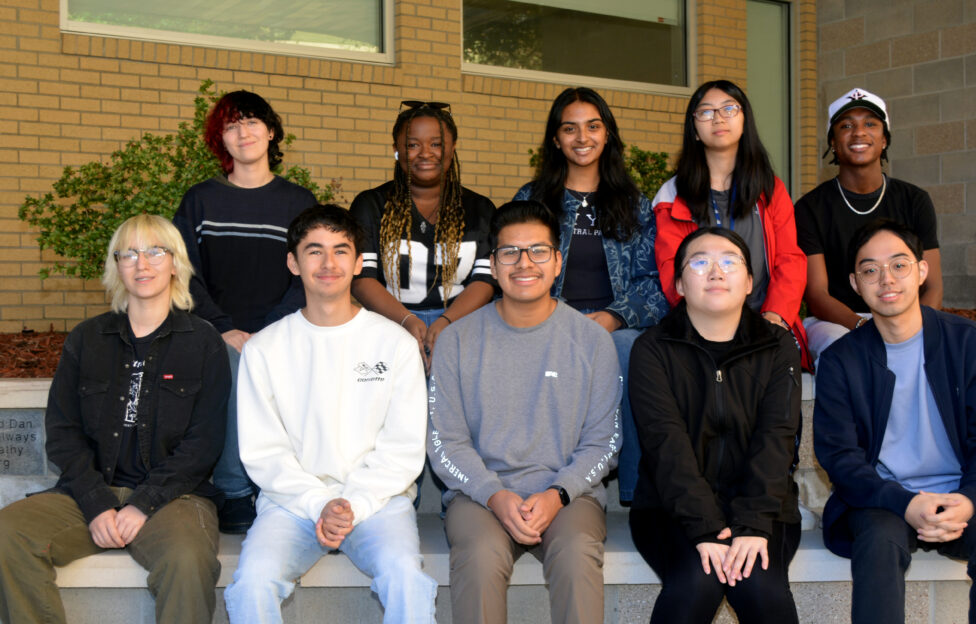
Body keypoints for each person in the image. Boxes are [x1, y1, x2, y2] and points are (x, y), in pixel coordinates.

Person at [0, 214, 230, 624]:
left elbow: (204, 443)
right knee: (6, 534)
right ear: (116, 267)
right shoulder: (87, 339)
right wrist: (98, 502)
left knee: (189, 561)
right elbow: (61, 432)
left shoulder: (203, 342)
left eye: (154, 252)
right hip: (91, 491)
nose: (141, 263)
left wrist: (143, 504)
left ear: (175, 263)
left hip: (175, 497)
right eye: (129, 253)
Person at [225, 204, 437, 624]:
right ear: (293, 263)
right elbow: (264, 453)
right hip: (292, 505)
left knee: (408, 581)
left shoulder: (393, 344)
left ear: (358, 261)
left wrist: (354, 502)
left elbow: (404, 446)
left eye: (341, 250)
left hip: (379, 504)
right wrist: (322, 503)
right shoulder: (267, 349)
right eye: (314, 250)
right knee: (249, 584)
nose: (328, 262)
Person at [813, 219, 976, 624]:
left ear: (922, 271)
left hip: (960, 493)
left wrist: (972, 499)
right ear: (856, 285)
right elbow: (838, 456)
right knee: (880, 543)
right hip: (884, 498)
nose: (887, 279)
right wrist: (902, 501)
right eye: (870, 270)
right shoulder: (842, 360)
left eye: (899, 265)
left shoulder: (967, 343)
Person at [427, 200, 621, 624]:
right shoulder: (458, 340)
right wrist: (494, 494)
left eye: (538, 250)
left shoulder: (592, 341)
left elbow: (604, 441)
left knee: (579, 550)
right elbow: (444, 441)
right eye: (510, 251)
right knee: (479, 551)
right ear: (493, 263)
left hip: (568, 494)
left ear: (557, 262)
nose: (524, 262)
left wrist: (558, 494)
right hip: (482, 495)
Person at [629, 226, 808, 624]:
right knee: (699, 575)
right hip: (670, 508)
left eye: (730, 261)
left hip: (764, 506)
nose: (715, 270)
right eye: (699, 261)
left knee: (760, 583)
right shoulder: (653, 348)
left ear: (750, 281)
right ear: (679, 284)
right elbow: (666, 449)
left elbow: (778, 441)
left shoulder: (777, 347)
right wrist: (707, 530)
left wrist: (751, 524)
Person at [513, 86, 667, 504]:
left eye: (593, 126)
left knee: (627, 347)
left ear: (608, 134)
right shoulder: (532, 199)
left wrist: (613, 317)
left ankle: (637, 489)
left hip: (613, 323)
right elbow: (513, 268)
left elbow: (654, 282)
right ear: (555, 139)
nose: (582, 138)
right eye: (570, 128)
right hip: (545, 320)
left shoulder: (633, 203)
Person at [173, 89, 317, 532]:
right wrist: (223, 327)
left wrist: (270, 330)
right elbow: (183, 270)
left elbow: (309, 271)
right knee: (237, 361)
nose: (243, 132)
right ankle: (235, 492)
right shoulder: (201, 200)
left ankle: (291, 487)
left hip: (284, 328)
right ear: (221, 139)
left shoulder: (298, 202)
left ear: (270, 131)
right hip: (212, 331)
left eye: (252, 121)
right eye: (231, 126)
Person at [652, 79, 810, 371]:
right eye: (706, 112)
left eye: (729, 108)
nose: (718, 118)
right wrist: (708, 325)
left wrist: (774, 317)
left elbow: (790, 260)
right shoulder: (673, 195)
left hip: (764, 319)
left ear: (744, 120)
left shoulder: (770, 189)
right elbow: (670, 267)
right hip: (699, 324)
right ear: (694, 129)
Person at [796, 88, 942, 361]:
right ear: (833, 143)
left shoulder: (914, 200)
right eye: (846, 125)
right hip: (838, 322)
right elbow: (816, 294)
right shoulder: (810, 208)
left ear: (884, 139)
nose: (859, 132)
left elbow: (932, 286)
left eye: (871, 124)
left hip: (906, 317)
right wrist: (863, 327)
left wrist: (911, 328)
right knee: (846, 351)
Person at [351, 101, 496, 371]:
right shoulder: (371, 204)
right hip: (389, 325)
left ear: (452, 149)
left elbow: (484, 280)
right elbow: (361, 278)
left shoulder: (480, 208)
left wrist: (447, 323)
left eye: (437, 144)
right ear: (397, 150)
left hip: (462, 327)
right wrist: (406, 321)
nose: (425, 153)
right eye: (413, 144)